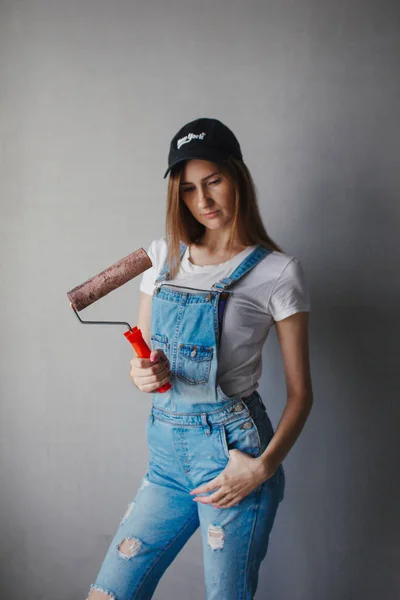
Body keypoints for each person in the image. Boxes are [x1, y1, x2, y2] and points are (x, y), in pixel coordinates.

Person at [86, 117, 313, 600]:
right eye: (188, 189)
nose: (203, 201)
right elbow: (143, 362)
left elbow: (301, 395)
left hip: (234, 454)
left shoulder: (277, 272)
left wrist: (263, 467)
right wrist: (143, 373)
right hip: (167, 457)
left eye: (214, 182)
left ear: (238, 178)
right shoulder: (163, 257)